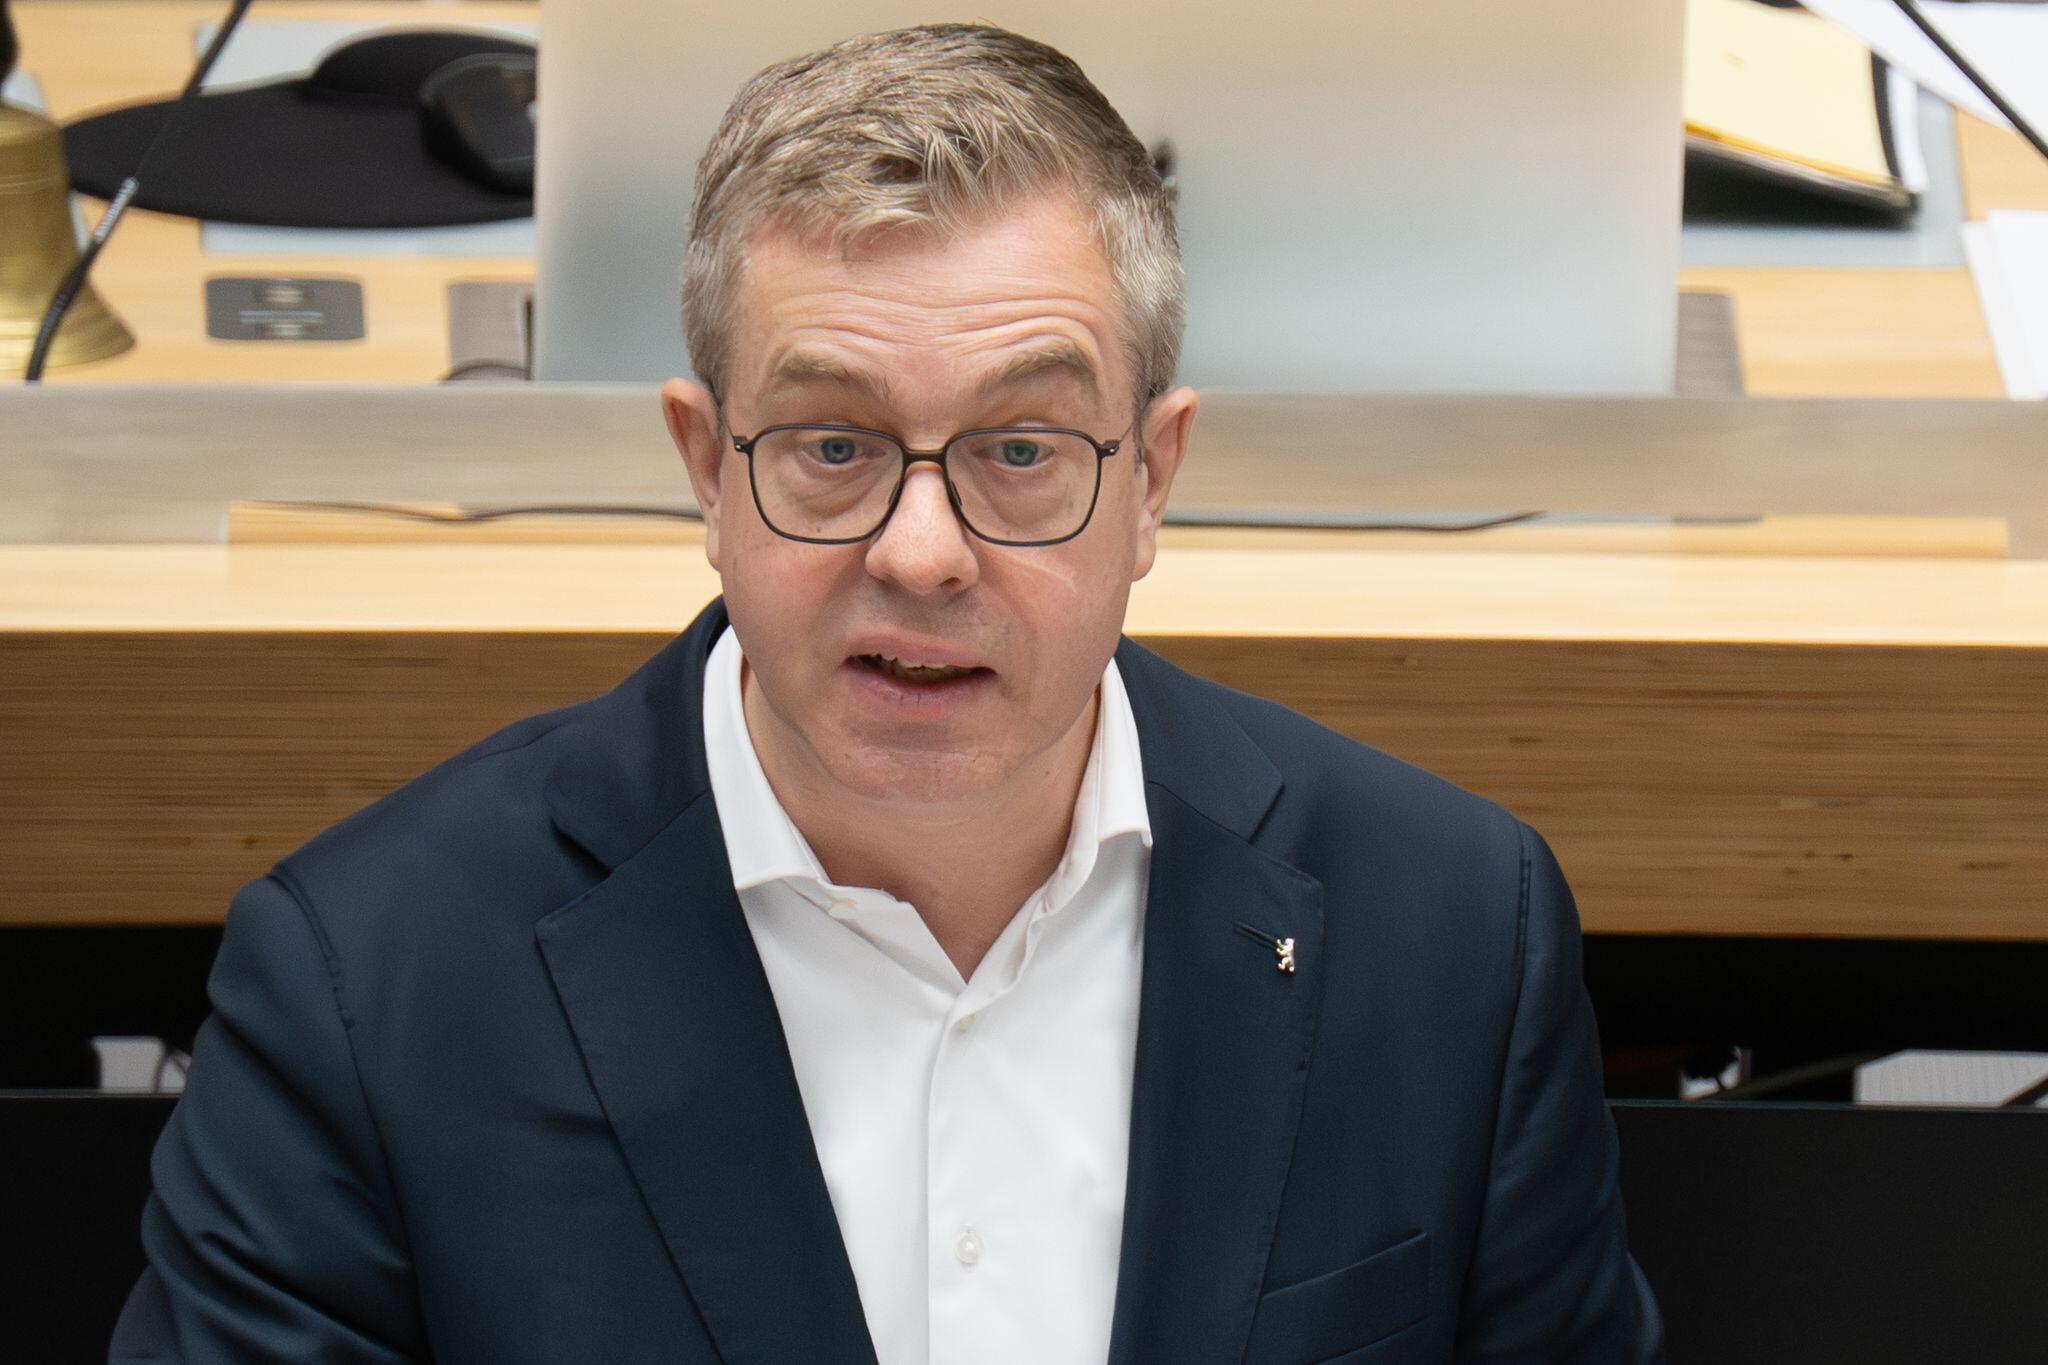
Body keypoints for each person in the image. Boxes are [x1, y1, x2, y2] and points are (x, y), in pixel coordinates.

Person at [110, 23, 1661, 1365]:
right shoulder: (366, 988)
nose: (923, 552)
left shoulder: (1456, 936)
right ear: (707, 469)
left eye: (1023, 449)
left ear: (1152, 480)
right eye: (834, 446)